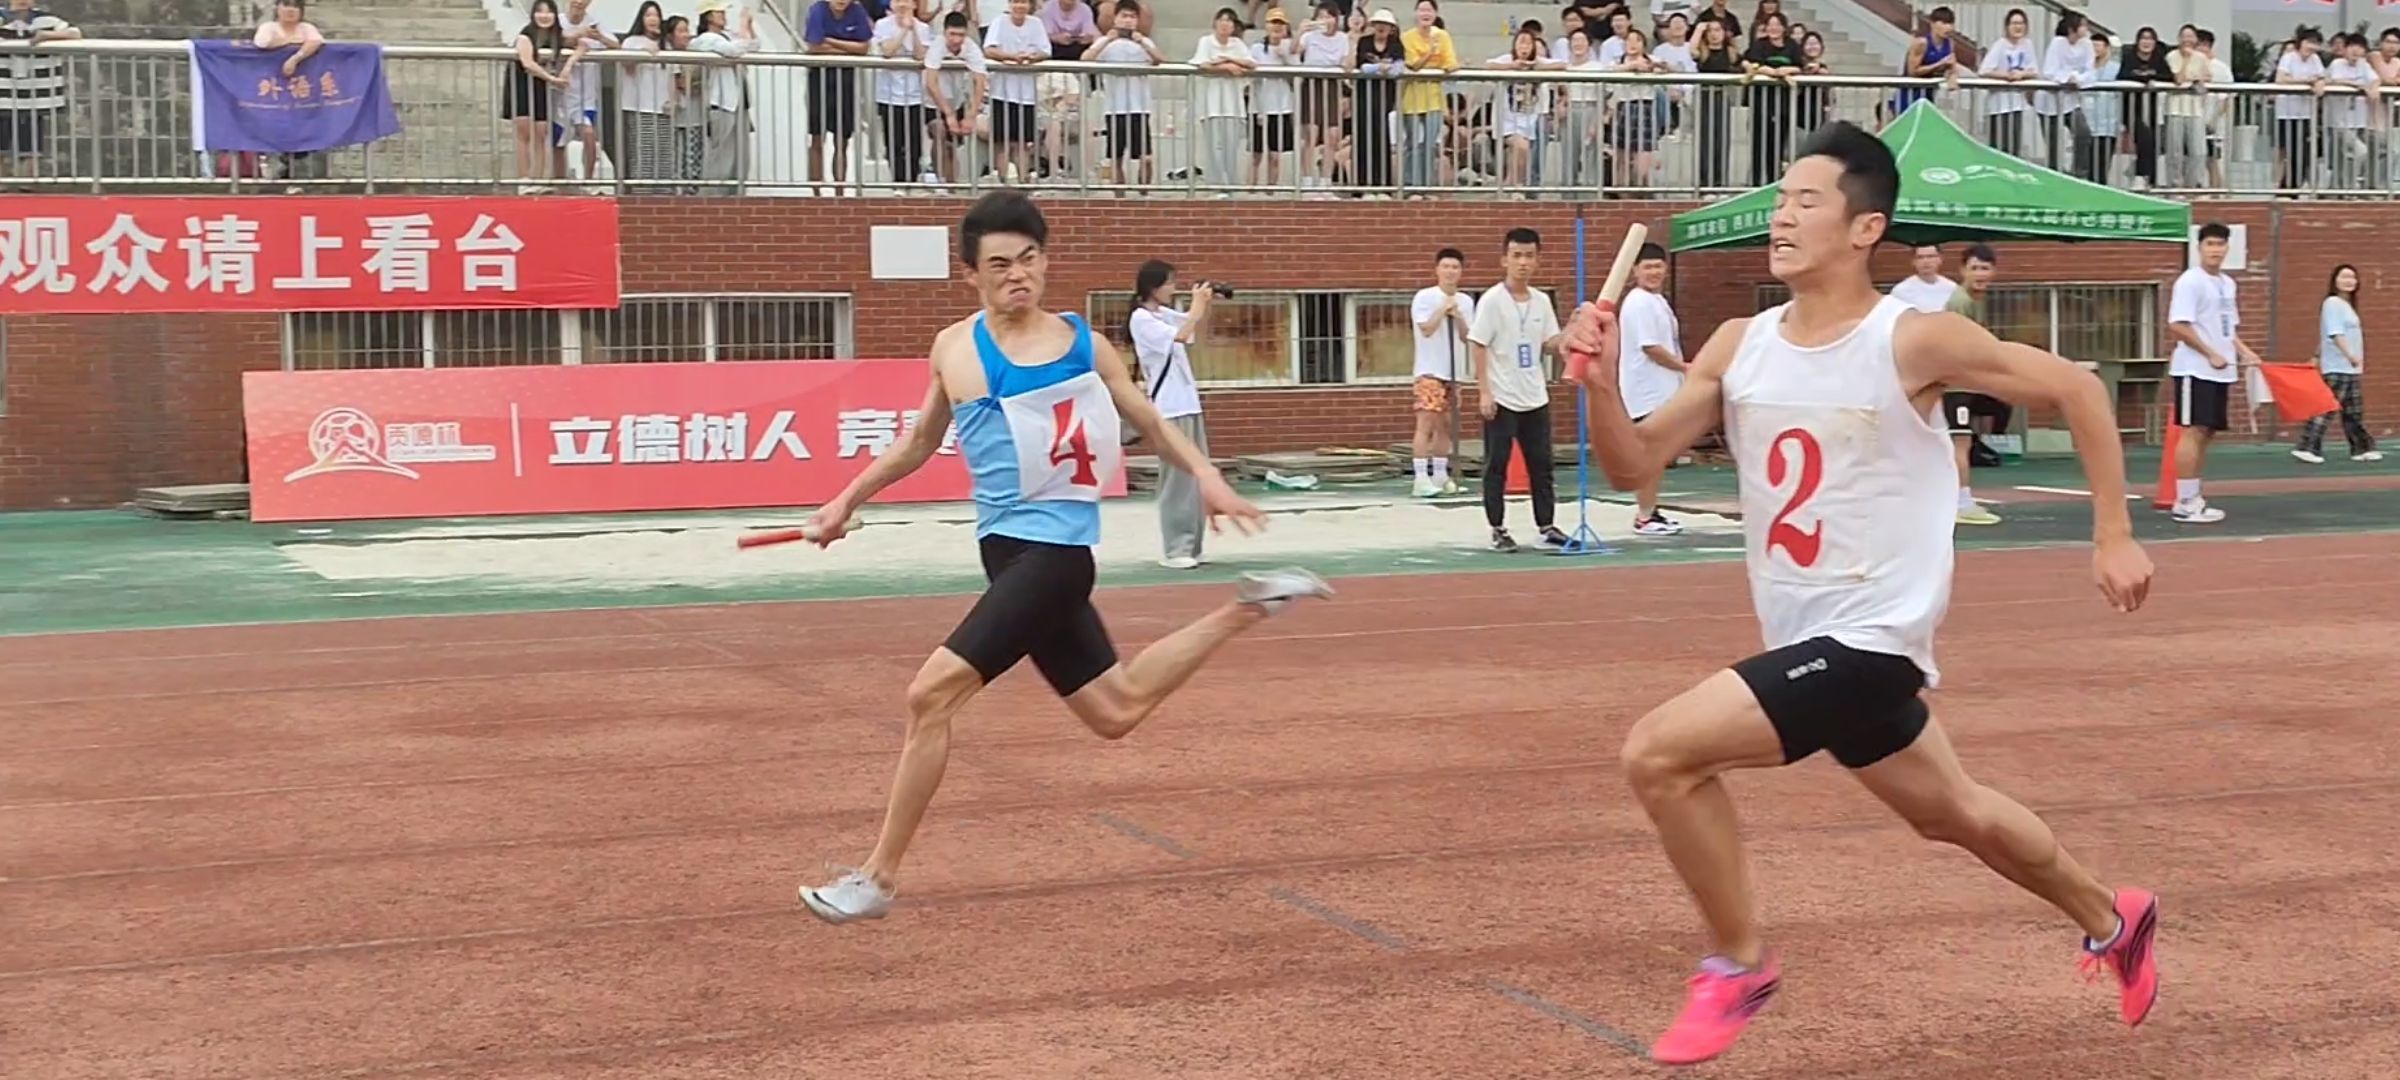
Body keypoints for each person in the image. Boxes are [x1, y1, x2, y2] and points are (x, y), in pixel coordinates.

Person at [1561, 122, 2159, 1066]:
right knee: (1950, 812)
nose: (1781, 216)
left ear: (1864, 227)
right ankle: (2113, 919)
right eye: (1779, 199)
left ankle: (1738, 965)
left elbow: (2080, 389)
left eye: (1806, 201)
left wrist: (2113, 533)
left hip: (1874, 637)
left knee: (1661, 756)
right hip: (1807, 634)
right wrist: (1596, 384)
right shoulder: (1738, 344)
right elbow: (1635, 465)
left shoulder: (1914, 338)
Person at [794, 192, 1335, 924]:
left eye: (1029, 260)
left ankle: (877, 879)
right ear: (970, 275)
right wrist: (843, 502)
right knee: (1116, 709)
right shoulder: (954, 348)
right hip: (1006, 554)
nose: (1017, 275)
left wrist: (1206, 475)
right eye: (999, 265)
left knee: (929, 696)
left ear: (1045, 262)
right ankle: (1251, 606)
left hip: (1055, 557)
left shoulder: (1083, 344)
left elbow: (1148, 417)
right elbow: (919, 443)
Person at [1469, 227, 1568, 552]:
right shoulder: (1492, 300)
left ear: (1537, 260)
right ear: (1504, 259)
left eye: (1529, 256)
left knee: (1542, 464)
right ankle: (1497, 528)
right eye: (1516, 256)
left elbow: (1550, 343)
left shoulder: (1541, 301)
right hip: (1502, 396)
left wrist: (1570, 335)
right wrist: (1485, 391)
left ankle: (1546, 525)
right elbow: (1479, 344)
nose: (1523, 262)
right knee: (1496, 465)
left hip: (1535, 396)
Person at [2163, 221, 2259, 524]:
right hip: (2194, 370)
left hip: (2221, 371)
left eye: (2220, 244)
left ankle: (2194, 496)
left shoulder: (2228, 283)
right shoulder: (2190, 282)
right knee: (2193, 430)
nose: (2215, 250)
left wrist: (2244, 352)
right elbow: (2178, 325)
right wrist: (2210, 353)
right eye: (2210, 244)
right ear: (2200, 248)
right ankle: (2183, 501)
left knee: (2207, 431)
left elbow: (2228, 328)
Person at [1128, 259, 1219, 569]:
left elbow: (1192, 329)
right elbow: (1180, 335)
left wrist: (1203, 304)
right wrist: (1197, 306)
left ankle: (1193, 546)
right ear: (1152, 287)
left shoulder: (1162, 314)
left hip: (1188, 403)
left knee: (1197, 475)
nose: (1172, 289)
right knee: (1177, 479)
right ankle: (1175, 548)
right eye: (1168, 283)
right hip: (1169, 408)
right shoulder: (1141, 318)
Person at [1614, 241, 1685, 535]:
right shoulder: (1639, 302)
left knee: (1657, 456)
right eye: (1647, 267)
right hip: (1646, 391)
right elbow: (1650, 347)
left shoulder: (1656, 300)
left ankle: (1651, 511)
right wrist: (1685, 368)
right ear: (1635, 270)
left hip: (1662, 389)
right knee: (1650, 455)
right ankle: (1644, 516)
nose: (1654, 272)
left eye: (1658, 266)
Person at [1941, 243, 2008, 526]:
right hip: (1955, 384)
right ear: (1962, 271)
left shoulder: (1976, 300)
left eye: (1985, 268)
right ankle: (1961, 502)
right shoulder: (1960, 302)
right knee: (1960, 442)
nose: (1980, 274)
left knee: (1961, 440)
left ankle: (1956, 499)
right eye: (1975, 268)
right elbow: (1958, 344)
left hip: (1967, 382)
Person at [2295, 263, 2382, 464]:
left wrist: (2317, 355)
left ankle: (2361, 448)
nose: (2349, 281)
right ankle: (2307, 447)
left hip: (2350, 368)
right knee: (2327, 407)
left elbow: (2326, 335)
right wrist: (2349, 355)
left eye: (2352, 277)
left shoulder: (2346, 305)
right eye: (2344, 277)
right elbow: (2335, 333)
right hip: (2338, 366)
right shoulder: (2332, 303)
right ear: (2334, 281)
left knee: (2353, 411)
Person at [1409, 246, 1474, 497]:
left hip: (1453, 372)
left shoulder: (1466, 301)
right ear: (1437, 270)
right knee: (1425, 422)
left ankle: (1440, 474)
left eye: (1455, 267)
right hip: (1430, 370)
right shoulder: (1425, 297)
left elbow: (1468, 336)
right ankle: (1420, 477)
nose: (1450, 271)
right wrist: (1442, 309)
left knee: (1446, 425)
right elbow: (1426, 328)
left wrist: (1458, 316)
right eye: (1446, 266)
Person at [1886, 243, 1956, 313]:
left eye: (1930, 256)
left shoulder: (1952, 288)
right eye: (1920, 257)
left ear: (1940, 259)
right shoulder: (1901, 291)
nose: (1925, 261)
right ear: (1913, 261)